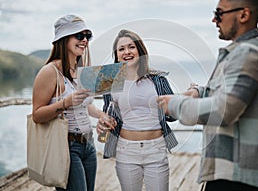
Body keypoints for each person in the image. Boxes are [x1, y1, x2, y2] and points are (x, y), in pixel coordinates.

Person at [158, 0, 258, 190]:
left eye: (219, 13)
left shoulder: (249, 52)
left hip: (239, 175)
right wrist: (199, 93)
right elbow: (233, 92)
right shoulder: (252, 49)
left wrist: (174, 105)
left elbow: (224, 109)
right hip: (237, 170)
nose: (214, 20)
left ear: (243, 15)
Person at [32, 14, 115, 191]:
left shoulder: (81, 70)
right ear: (63, 39)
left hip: (89, 145)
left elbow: (85, 104)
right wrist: (65, 103)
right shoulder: (49, 72)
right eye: (79, 35)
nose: (84, 40)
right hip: (67, 147)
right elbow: (37, 115)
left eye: (87, 36)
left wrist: (101, 115)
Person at [96, 29, 178, 191]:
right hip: (126, 150)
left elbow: (173, 115)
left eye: (131, 47)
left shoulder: (158, 79)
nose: (127, 52)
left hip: (156, 149)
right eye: (121, 49)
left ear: (140, 50)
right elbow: (108, 114)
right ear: (117, 55)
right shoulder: (110, 81)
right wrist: (103, 122)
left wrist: (181, 102)